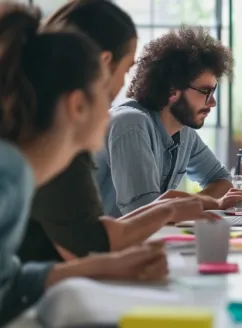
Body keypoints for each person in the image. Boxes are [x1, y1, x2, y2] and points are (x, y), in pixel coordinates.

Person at [18, 0, 226, 263]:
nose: (120, 87)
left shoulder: (33, 123)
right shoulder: (60, 137)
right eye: (127, 68)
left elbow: (81, 242)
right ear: (104, 64)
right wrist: (168, 209)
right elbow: (89, 246)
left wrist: (173, 207)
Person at [0, 5, 169, 324]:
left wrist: (92, 268)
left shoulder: (19, 173)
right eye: (103, 98)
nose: (110, 112)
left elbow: (6, 286)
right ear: (77, 105)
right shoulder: (8, 176)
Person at [95, 25, 242, 217]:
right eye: (206, 92)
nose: (212, 102)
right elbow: (143, 211)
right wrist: (211, 203)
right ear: (172, 90)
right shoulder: (131, 123)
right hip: (103, 245)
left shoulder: (184, 132)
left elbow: (221, 180)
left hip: (146, 239)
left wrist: (198, 204)